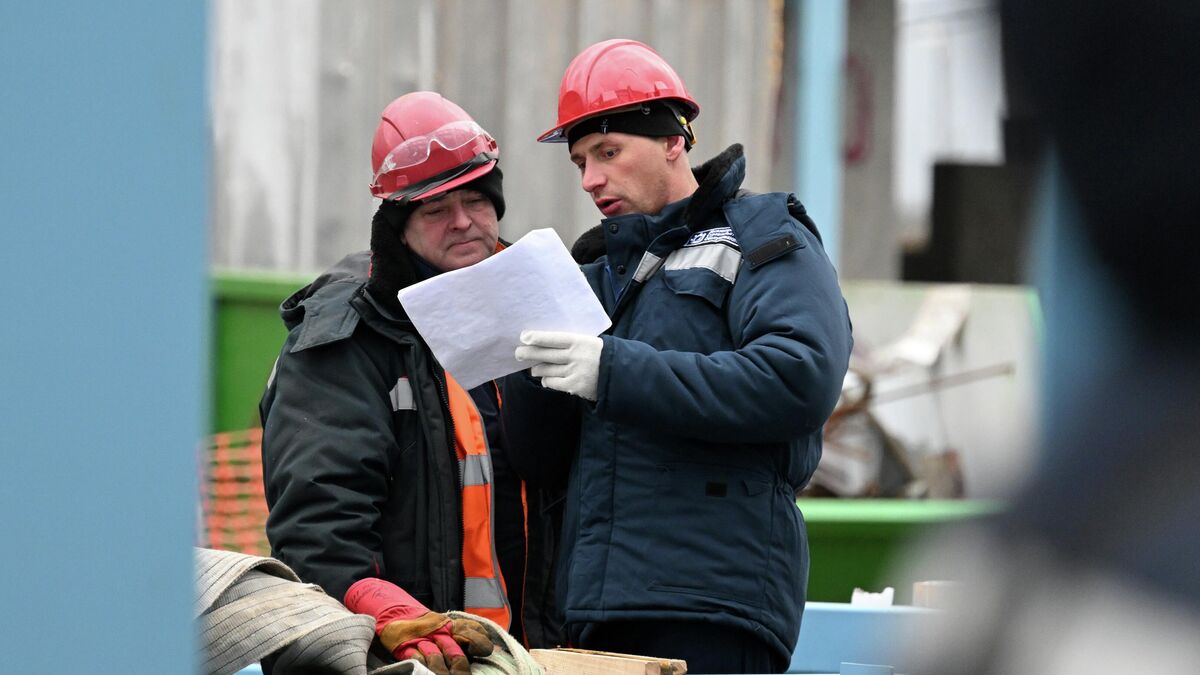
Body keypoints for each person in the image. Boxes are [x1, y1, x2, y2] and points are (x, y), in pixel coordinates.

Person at [502, 39, 853, 674]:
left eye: (609, 152)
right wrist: (523, 366)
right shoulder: (589, 274)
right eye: (580, 161)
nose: (591, 179)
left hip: (713, 608)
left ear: (673, 141)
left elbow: (797, 375)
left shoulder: (764, 237)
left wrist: (612, 370)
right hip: (595, 609)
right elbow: (542, 461)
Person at [259, 91, 563, 675]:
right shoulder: (345, 335)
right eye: (435, 210)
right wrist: (380, 609)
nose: (463, 222)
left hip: (526, 656)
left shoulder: (535, 307)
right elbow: (317, 523)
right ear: (398, 228)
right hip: (404, 657)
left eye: (476, 199)